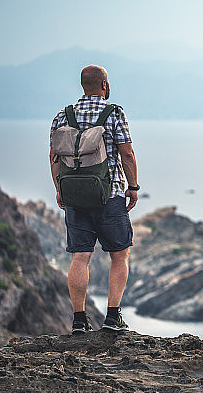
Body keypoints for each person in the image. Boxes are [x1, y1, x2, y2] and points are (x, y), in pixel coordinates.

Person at [49, 65, 140, 334]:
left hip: (75, 198)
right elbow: (127, 153)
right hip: (109, 195)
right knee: (119, 254)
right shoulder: (114, 114)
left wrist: (60, 189)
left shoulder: (62, 116)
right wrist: (132, 187)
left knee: (80, 257)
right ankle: (112, 318)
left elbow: (54, 157)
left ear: (82, 85)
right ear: (104, 85)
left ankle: (79, 321)